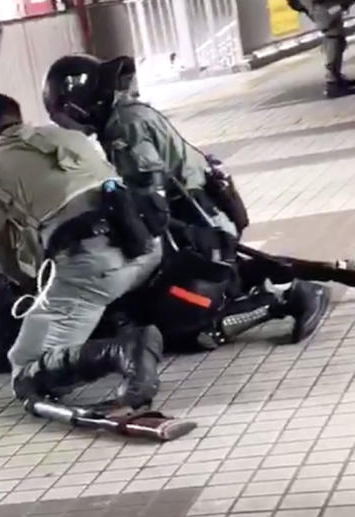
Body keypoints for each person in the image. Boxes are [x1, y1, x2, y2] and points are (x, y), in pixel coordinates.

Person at [43, 54, 330, 347]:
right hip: (199, 217)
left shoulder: (125, 127)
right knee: (195, 289)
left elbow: (152, 207)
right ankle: (261, 285)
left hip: (202, 221)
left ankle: (287, 299)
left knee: (188, 323)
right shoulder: (122, 115)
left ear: (75, 106)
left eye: (62, 117)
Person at [0, 92, 164, 410]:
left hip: (95, 267)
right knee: (91, 297)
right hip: (148, 246)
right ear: (18, 116)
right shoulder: (66, 135)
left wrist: (31, 285)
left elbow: (4, 257)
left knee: (24, 370)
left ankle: (126, 350)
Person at [294, 0, 355, 98]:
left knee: (336, 32)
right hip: (319, 4)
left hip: (321, 4)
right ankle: (333, 82)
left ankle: (336, 78)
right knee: (333, 33)